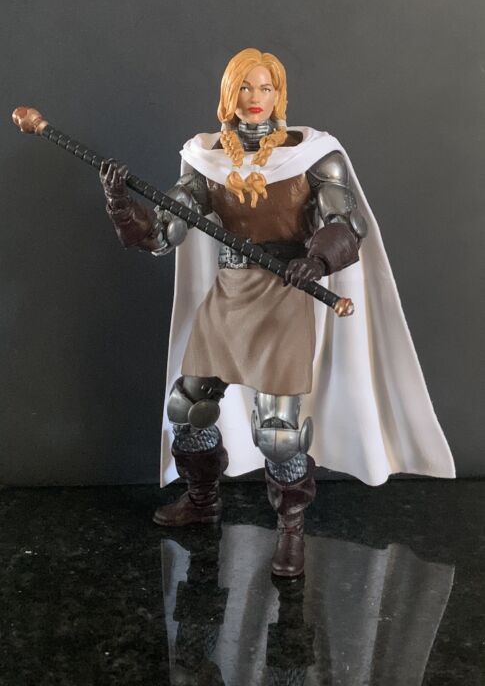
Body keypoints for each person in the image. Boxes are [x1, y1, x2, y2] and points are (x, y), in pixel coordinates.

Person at [99, 48, 455, 577]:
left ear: (278, 94)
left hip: (286, 292)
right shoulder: (206, 160)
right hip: (229, 293)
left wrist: (318, 258)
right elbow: (164, 235)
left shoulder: (314, 156)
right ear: (229, 94)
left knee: (277, 431)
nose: (255, 98)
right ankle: (202, 500)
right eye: (245, 88)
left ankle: (291, 531)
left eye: (265, 88)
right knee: (188, 405)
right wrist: (122, 208)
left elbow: (346, 224)